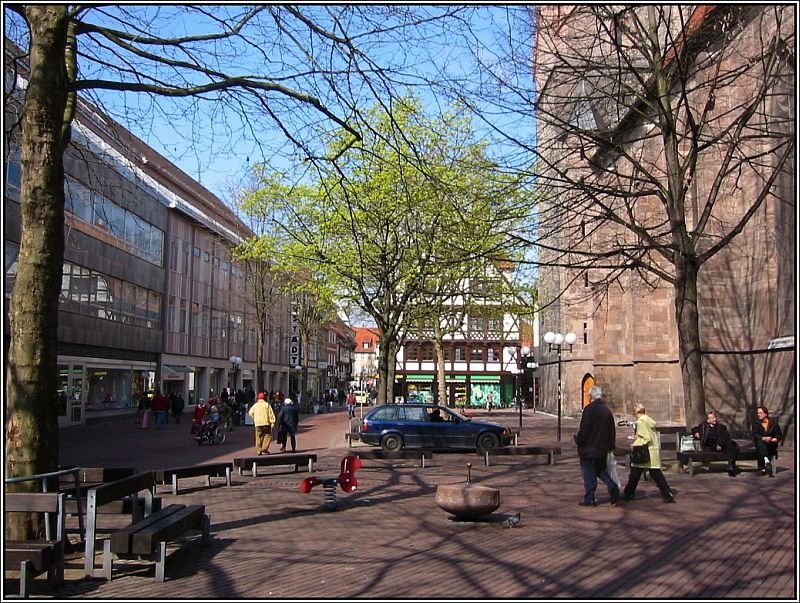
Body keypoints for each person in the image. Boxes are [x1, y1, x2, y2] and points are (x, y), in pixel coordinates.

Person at [574, 385, 620, 507]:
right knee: (600, 470)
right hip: (602, 448)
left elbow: (584, 430)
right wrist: (611, 446)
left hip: (589, 448)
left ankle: (590, 497)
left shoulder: (589, 410)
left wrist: (579, 441)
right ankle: (613, 487)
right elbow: (612, 430)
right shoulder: (606, 410)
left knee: (588, 472)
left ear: (591, 397)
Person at [621, 404, 676, 503]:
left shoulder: (641, 422)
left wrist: (635, 444)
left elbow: (646, 438)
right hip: (652, 451)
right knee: (655, 474)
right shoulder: (649, 421)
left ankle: (628, 493)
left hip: (643, 452)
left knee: (635, 473)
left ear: (636, 413)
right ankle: (668, 494)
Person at [692, 411, 739, 477]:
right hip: (710, 446)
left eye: (715, 417)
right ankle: (731, 466)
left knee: (731, 446)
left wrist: (719, 444)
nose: (715, 419)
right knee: (732, 447)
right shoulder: (703, 426)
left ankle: (730, 467)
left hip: (721, 444)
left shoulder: (721, 427)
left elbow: (725, 436)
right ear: (708, 420)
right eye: (712, 418)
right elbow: (694, 429)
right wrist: (696, 432)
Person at [752, 406, 782, 476]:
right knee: (760, 442)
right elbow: (754, 434)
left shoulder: (773, 423)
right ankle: (766, 461)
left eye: (760, 413)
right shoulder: (756, 423)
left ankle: (763, 468)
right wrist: (763, 438)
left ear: (765, 414)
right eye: (758, 413)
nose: (758, 414)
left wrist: (776, 439)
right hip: (761, 443)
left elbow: (779, 434)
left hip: (771, 444)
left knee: (762, 446)